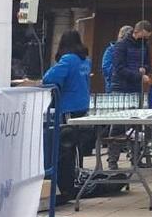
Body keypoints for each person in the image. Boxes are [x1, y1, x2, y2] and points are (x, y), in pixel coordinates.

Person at [42, 30, 92, 204]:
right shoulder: (85, 61)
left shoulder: (68, 60)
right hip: (82, 105)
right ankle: (73, 183)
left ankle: (65, 187)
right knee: (75, 147)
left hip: (68, 106)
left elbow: (49, 77)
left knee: (65, 148)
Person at [108, 19, 152, 169]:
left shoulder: (145, 46)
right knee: (118, 125)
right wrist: (138, 75)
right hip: (121, 88)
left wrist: (144, 69)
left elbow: (148, 63)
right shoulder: (121, 46)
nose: (145, 40)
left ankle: (136, 157)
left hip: (136, 88)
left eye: (147, 38)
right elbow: (119, 69)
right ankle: (112, 160)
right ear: (136, 32)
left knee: (137, 125)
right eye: (143, 36)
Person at [101, 25, 133, 92]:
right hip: (114, 87)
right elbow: (106, 68)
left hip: (131, 87)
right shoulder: (111, 50)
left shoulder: (132, 50)